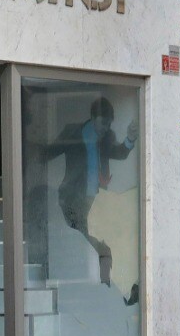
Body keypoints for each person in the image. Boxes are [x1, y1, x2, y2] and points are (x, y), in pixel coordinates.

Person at [46, 96, 139, 303]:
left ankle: (114, 288)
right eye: (102, 123)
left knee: (109, 244)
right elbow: (49, 152)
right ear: (92, 118)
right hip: (74, 202)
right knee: (102, 246)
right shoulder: (74, 132)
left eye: (108, 124)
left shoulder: (107, 137)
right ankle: (115, 290)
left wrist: (130, 139)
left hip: (97, 201)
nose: (105, 128)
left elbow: (119, 153)